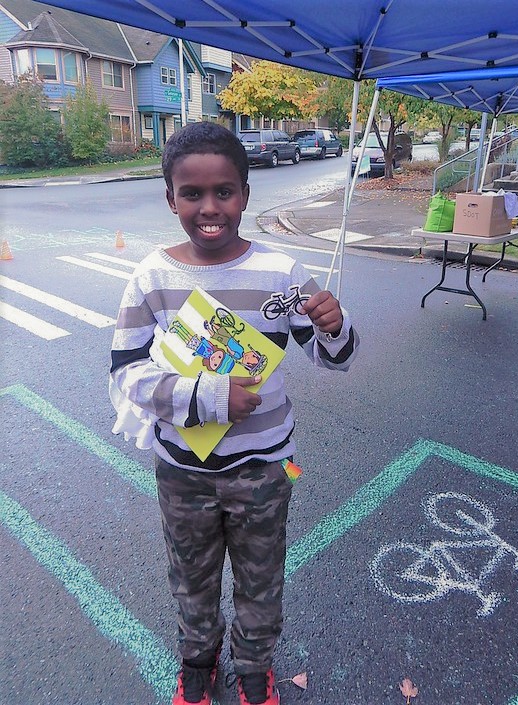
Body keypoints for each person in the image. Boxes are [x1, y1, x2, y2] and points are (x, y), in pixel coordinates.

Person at [109, 122, 359, 705]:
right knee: (191, 577)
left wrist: (333, 324)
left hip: (268, 468)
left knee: (261, 577)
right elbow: (126, 374)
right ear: (170, 198)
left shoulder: (280, 273)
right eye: (191, 194)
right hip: (183, 468)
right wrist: (212, 396)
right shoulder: (152, 277)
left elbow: (336, 359)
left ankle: (253, 666)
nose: (209, 208)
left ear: (246, 193)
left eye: (224, 191)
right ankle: (197, 661)